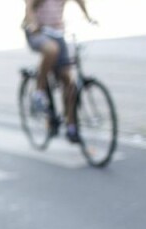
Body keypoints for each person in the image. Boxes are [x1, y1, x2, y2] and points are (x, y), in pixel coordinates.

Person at [24, 0, 95, 143]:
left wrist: (88, 17)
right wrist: (33, 24)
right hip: (38, 32)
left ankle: (71, 126)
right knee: (51, 50)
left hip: (57, 33)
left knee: (68, 81)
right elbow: (29, 7)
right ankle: (40, 90)